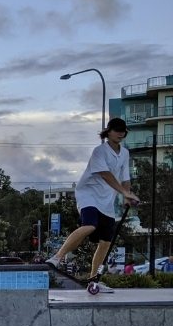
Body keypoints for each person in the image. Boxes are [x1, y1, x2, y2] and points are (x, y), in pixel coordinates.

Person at [46, 118, 138, 293]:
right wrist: (124, 193)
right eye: (117, 130)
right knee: (89, 225)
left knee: (105, 242)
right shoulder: (99, 151)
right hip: (88, 194)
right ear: (108, 132)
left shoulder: (124, 153)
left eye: (123, 131)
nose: (120, 133)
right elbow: (105, 175)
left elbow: (125, 178)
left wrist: (126, 195)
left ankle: (93, 280)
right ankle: (57, 257)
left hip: (107, 201)